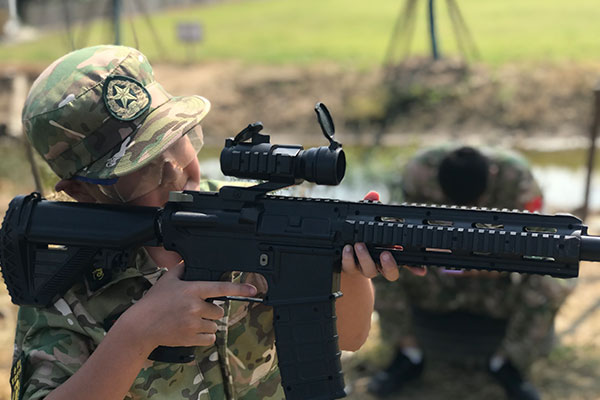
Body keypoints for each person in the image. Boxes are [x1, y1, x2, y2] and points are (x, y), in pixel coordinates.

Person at [10, 45, 409, 400]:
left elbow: (353, 337)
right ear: (81, 191)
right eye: (146, 170)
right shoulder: (63, 276)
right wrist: (134, 337)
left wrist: (351, 267)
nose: (178, 172)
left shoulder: (252, 215)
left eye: (178, 142)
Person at [369, 145, 575, 400]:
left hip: (497, 282)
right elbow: (398, 231)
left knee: (554, 281)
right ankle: (408, 355)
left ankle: (507, 365)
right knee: (380, 262)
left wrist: (496, 267)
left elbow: (536, 240)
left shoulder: (516, 178)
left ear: (492, 175)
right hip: (434, 278)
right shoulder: (419, 173)